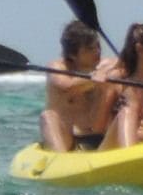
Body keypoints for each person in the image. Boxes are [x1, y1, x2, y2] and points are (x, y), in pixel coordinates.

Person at [40, 21, 115, 152]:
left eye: (98, 45)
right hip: (68, 139)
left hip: (98, 137)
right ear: (72, 55)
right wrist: (91, 78)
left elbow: (127, 64)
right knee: (48, 116)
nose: (97, 51)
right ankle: (60, 162)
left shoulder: (106, 65)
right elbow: (67, 87)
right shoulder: (57, 68)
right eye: (90, 49)